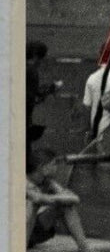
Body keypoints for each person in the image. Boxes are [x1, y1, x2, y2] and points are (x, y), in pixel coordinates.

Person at [26, 151, 110, 252]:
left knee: (67, 207)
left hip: (36, 231)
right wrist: (56, 198)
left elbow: (74, 198)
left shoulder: (48, 182)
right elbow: (37, 198)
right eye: (53, 164)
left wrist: (55, 199)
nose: (56, 167)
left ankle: (85, 251)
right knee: (34, 204)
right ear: (43, 167)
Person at [26, 41, 62, 170]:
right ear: (36, 56)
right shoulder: (31, 71)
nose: (41, 62)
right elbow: (31, 98)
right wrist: (48, 91)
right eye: (41, 58)